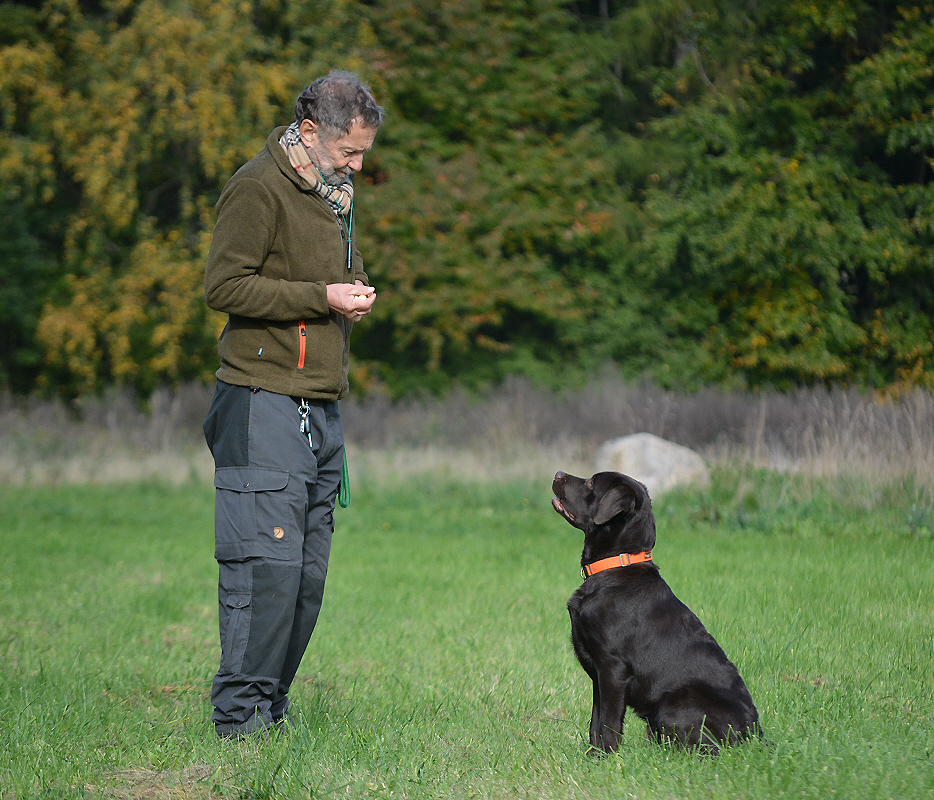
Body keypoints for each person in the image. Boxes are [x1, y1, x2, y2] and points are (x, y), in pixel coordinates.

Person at [201, 71, 384, 737]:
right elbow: (225, 286)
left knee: (305, 582)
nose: (358, 165)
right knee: (266, 571)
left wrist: (354, 290)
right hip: (262, 405)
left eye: (363, 153)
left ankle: (269, 713)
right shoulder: (257, 186)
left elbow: (343, 271)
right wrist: (322, 297)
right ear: (310, 132)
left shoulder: (334, 194)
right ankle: (237, 722)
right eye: (350, 151)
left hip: (321, 411)